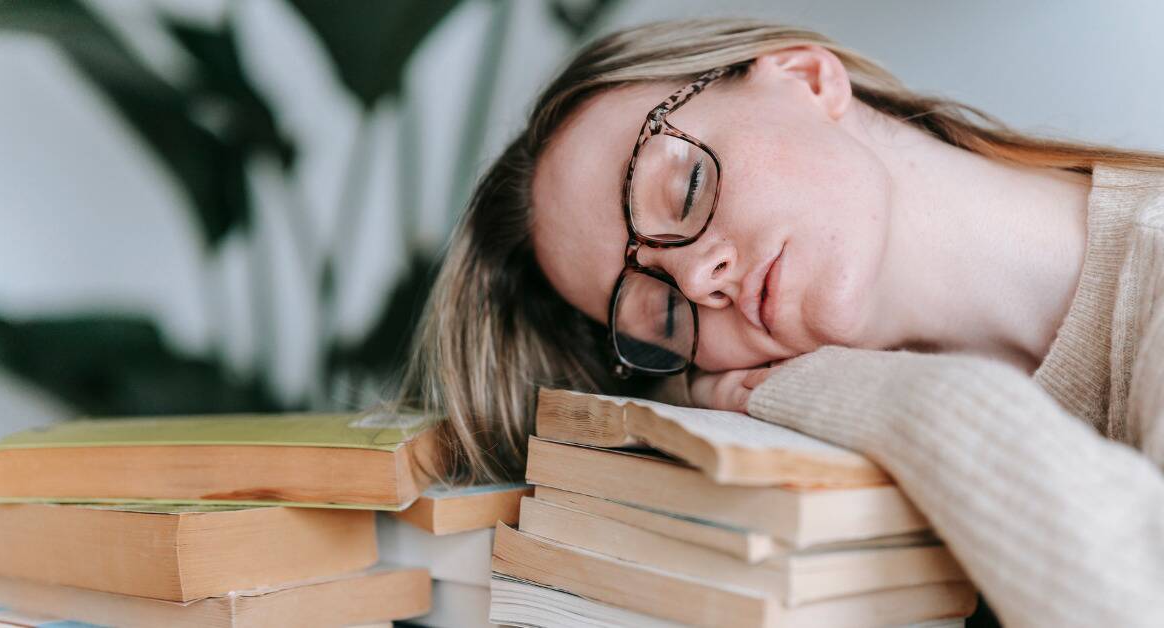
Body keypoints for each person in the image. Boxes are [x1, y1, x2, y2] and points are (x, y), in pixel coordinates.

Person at [397, 19, 1164, 626]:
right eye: (662, 312)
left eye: (686, 187)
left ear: (805, 76)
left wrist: (913, 403)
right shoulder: (837, 496)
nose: (698, 280)